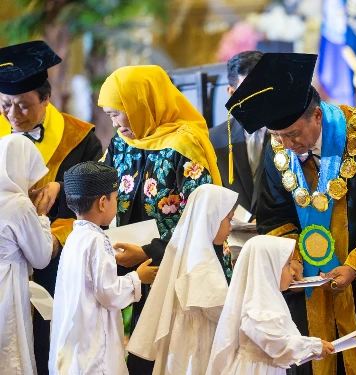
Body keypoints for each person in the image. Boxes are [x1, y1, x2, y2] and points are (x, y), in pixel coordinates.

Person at [226, 53, 356, 375]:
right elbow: (274, 215)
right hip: (309, 288)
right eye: (277, 136)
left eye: (292, 134)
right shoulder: (277, 147)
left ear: (317, 116)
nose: (285, 144)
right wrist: (289, 260)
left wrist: (353, 268)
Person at [98, 64, 221, 374]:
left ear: (141, 104)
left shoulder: (184, 145)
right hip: (131, 269)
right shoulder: (121, 144)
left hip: (176, 269)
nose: (114, 124)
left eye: (117, 113)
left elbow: (203, 220)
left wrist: (151, 253)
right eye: (110, 116)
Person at [0, 41, 103, 373]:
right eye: (5, 105)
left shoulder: (81, 138)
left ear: (46, 98)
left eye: (24, 106)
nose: (14, 116)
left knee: (48, 339)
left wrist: (64, 185)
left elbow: (97, 200)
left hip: (57, 258)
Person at [49, 162, 158, 375]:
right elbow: (109, 294)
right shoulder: (97, 240)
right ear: (102, 203)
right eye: (115, 198)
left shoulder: (74, 236)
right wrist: (138, 278)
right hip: (94, 345)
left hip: (77, 338)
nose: (117, 203)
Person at [127, 184, 239, 375]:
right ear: (211, 219)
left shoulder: (187, 257)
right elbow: (222, 312)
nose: (231, 226)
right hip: (193, 351)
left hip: (182, 348)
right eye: (229, 219)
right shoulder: (202, 266)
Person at [207, 235, 334, 375]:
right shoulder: (257, 306)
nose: (293, 272)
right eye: (287, 265)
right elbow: (277, 343)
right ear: (268, 268)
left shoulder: (270, 299)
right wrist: (313, 346)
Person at [0, 135, 53, 375]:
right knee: (11, 352)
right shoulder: (18, 204)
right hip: (7, 287)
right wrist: (41, 216)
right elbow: (41, 257)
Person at [210, 51, 267, 219]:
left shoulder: (290, 134)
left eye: (262, 91)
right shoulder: (213, 139)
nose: (257, 100)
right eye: (248, 93)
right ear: (231, 93)